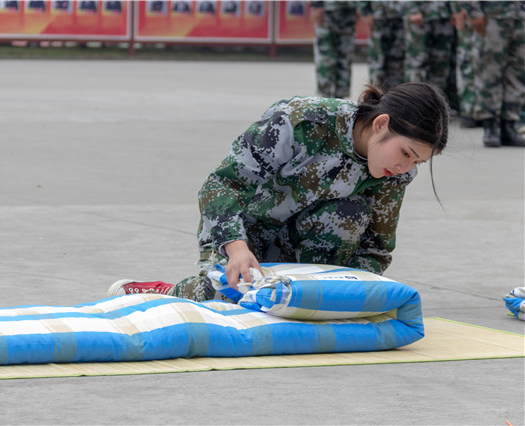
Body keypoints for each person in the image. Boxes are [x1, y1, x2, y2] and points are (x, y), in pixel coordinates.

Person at [108, 83, 450, 301]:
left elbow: (375, 248)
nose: (407, 167)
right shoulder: (300, 122)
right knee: (228, 298)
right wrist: (236, 249)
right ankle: (168, 294)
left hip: (311, 256)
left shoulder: (395, 173)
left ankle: (293, 296)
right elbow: (222, 184)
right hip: (244, 239)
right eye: (406, 153)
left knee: (349, 216)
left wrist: (346, 295)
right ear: (380, 124)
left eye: (418, 161)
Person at [463, 1, 525, 147]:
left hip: (521, 18)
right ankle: (490, 125)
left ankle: (509, 125)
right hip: (493, 17)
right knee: (489, 72)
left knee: (518, 73)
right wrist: (474, 12)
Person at [403, 2, 457, 109]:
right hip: (421, 17)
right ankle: (412, 106)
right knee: (416, 63)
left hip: (443, 17)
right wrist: (412, 8)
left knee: (441, 63)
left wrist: (455, 10)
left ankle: (436, 107)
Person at [311, 1, 358, 98]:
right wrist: (316, 5)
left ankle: (341, 100)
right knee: (326, 57)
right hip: (327, 10)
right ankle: (324, 99)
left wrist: (361, 7)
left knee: (345, 57)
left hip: (349, 9)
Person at [358, 1, 406, 91]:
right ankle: (376, 97)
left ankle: (397, 97)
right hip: (379, 17)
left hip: (400, 16)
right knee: (378, 61)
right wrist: (366, 12)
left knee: (398, 61)